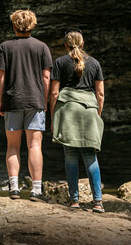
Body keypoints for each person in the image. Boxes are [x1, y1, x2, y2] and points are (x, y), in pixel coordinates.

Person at [0, 10, 52, 201]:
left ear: (14, 26)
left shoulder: (5, 47)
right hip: (35, 101)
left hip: (12, 101)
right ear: (33, 25)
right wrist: (44, 101)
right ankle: (36, 190)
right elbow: (46, 77)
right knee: (34, 145)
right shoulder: (42, 47)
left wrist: (0, 100)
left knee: (12, 146)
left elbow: (0, 77)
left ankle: (14, 189)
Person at [49, 30, 105, 213]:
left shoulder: (59, 62)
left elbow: (54, 93)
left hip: (68, 111)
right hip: (89, 110)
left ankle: (74, 201)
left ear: (65, 45)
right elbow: (101, 94)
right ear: (82, 44)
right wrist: (97, 113)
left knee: (70, 156)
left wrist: (52, 116)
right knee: (90, 156)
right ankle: (98, 202)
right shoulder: (95, 63)